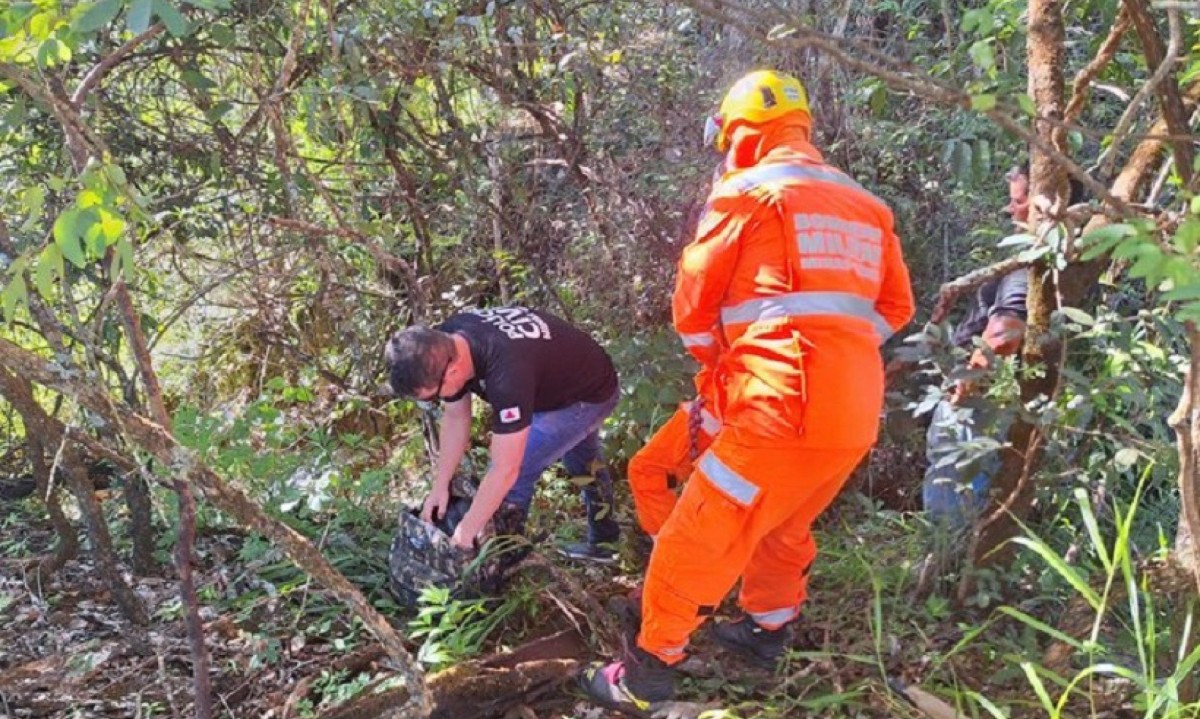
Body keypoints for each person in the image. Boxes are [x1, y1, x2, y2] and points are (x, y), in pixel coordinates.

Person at [580, 70, 915, 711]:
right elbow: (895, 308)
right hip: (852, 413)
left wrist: (730, 364)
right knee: (784, 522)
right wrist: (838, 355)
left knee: (695, 533)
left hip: (775, 404)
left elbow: (692, 304)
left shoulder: (748, 191)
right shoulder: (868, 206)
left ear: (739, 134)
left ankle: (648, 669)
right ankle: (770, 626)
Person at [384, 306, 621, 563]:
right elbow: (455, 416)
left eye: (431, 396)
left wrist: (466, 532)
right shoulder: (444, 344)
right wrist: (440, 485)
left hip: (589, 394)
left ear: (452, 372)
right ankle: (606, 542)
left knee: (522, 466)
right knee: (584, 462)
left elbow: (506, 469)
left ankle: (504, 558)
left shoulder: (507, 374)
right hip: (557, 380)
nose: (436, 400)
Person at [922, 165, 1031, 525]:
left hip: (978, 399)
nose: (1011, 210)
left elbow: (1005, 330)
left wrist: (967, 382)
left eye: (1019, 202)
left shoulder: (1027, 266)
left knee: (954, 481)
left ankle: (945, 567)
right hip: (988, 394)